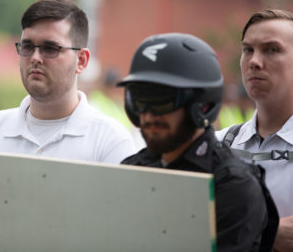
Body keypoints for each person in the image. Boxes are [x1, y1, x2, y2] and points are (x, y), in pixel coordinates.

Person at [0, 0, 136, 252]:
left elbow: (125, 238)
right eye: (27, 46)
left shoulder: (111, 141)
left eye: (50, 48)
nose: (35, 57)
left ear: (82, 61)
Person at [118, 33, 277, 252]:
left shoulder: (233, 186)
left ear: (202, 104)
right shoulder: (130, 170)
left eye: (162, 100)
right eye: (140, 100)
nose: (149, 115)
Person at [215, 9, 293, 252]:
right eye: (248, 50)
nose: (254, 62)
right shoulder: (219, 144)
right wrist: (268, 233)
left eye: (272, 49)